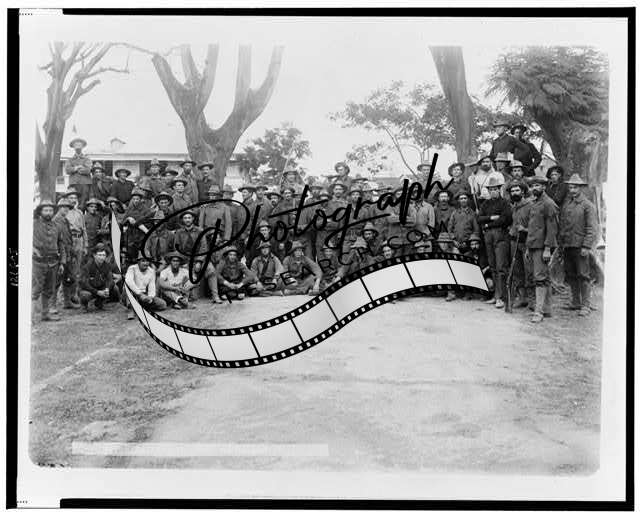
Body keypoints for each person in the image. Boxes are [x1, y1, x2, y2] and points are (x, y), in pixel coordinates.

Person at [558, 173, 598, 316]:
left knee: (583, 275)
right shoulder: (567, 204)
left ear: (580, 188)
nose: (572, 190)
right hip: (568, 245)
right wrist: (561, 243)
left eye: (575, 187)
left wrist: (586, 246)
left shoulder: (587, 205)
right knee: (571, 274)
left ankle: (585, 305)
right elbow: (563, 224)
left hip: (580, 246)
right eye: (570, 187)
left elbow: (592, 228)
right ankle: (576, 302)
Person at [525, 175, 559, 323]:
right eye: (533, 186)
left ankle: (538, 312)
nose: (534, 188)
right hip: (533, 245)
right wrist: (528, 247)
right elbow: (533, 227)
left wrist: (547, 248)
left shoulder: (548, 204)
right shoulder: (535, 202)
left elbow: (552, 229)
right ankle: (547, 309)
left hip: (542, 246)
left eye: (538, 185)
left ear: (544, 187)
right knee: (544, 277)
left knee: (540, 278)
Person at [478, 176, 512, 309]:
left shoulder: (504, 203)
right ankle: (495, 295)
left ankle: (501, 297)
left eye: (495, 189)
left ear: (499, 190)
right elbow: (479, 218)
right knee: (492, 266)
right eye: (491, 189)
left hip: (501, 235)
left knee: (501, 266)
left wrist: (488, 224)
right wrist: (491, 218)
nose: (493, 191)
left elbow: (505, 219)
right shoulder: (485, 204)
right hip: (488, 236)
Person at [33, 199, 68, 321]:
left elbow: (61, 245)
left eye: (50, 210)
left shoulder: (56, 226)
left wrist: (62, 262)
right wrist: (32, 249)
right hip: (37, 262)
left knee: (49, 289)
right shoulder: (33, 224)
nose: (48, 213)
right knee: (35, 290)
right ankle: (29, 318)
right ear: (40, 211)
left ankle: (45, 314)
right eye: (46, 210)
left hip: (53, 263)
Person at [507, 180, 534, 309]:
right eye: (512, 191)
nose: (514, 193)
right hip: (514, 241)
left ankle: (532, 300)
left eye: (517, 190)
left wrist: (525, 229)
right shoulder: (513, 207)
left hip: (526, 242)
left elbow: (536, 226)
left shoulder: (530, 206)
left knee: (529, 271)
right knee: (517, 271)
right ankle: (522, 298)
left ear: (523, 192)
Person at [78, 244, 121, 311]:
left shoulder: (107, 265)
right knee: (85, 295)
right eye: (99, 255)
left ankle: (100, 302)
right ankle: (84, 305)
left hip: (101, 288)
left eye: (103, 255)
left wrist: (107, 289)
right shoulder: (88, 266)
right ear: (94, 255)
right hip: (90, 290)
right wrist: (97, 292)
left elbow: (110, 280)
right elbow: (83, 283)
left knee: (115, 288)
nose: (102, 257)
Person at [64, 189, 88, 304]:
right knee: (67, 269)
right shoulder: (64, 212)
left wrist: (85, 245)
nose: (73, 200)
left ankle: (74, 295)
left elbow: (84, 229)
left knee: (77, 270)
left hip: (79, 240)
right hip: (69, 240)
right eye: (71, 198)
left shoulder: (79, 212)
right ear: (67, 199)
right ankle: (65, 297)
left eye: (75, 198)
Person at [125, 254, 167, 319]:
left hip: (144, 295)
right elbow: (129, 281)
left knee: (162, 304)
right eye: (143, 261)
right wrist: (140, 294)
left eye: (147, 261)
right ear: (138, 262)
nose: (145, 263)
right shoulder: (132, 268)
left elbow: (152, 286)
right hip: (134, 293)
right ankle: (131, 309)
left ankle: (141, 307)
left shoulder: (151, 271)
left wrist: (150, 297)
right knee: (127, 288)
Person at [122, 188, 154, 263]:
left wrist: (138, 222)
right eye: (134, 199)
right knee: (131, 251)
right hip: (131, 234)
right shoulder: (129, 209)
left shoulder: (145, 209)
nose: (135, 201)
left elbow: (148, 221)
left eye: (137, 199)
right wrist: (128, 219)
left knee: (141, 251)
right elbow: (123, 221)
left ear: (140, 199)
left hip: (141, 233)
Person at [64, 137, 93, 208]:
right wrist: (77, 167)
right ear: (73, 147)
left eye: (80, 145)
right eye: (76, 145)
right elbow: (67, 170)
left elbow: (88, 170)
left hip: (85, 184)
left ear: (82, 146)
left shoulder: (87, 159)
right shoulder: (70, 160)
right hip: (73, 184)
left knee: (83, 203)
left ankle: (81, 214)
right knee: (72, 202)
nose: (78, 147)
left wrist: (74, 169)